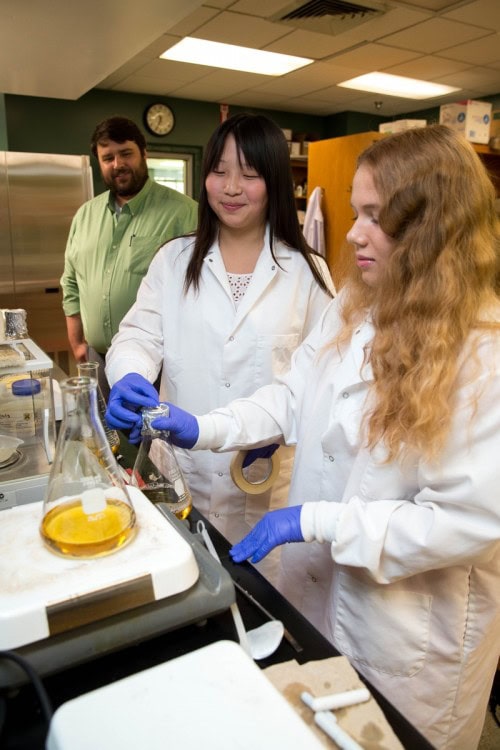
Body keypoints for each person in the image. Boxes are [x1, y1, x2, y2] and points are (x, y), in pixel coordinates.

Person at [144, 125, 500, 749]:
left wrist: (322, 521)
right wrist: (207, 427)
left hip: (411, 636)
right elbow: (291, 393)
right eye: (357, 212)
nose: (355, 232)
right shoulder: (357, 305)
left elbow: (468, 522)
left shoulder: (484, 355)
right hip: (321, 595)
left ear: (434, 229)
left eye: (374, 216)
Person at [105, 112, 334, 583]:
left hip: (265, 483)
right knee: (180, 585)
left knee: (264, 605)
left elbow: (324, 384)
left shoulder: (309, 274)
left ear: (272, 181)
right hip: (180, 472)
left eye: (249, 174)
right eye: (219, 171)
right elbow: (139, 336)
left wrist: (276, 433)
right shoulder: (174, 260)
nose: (231, 187)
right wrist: (129, 373)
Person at [60, 115, 198, 397]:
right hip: (96, 358)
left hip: (158, 363)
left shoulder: (184, 213)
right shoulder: (85, 216)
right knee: (104, 435)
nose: (117, 164)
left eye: (126, 154)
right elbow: (71, 283)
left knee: (155, 439)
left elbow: (200, 292)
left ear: (144, 154)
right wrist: (77, 344)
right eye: (107, 157)